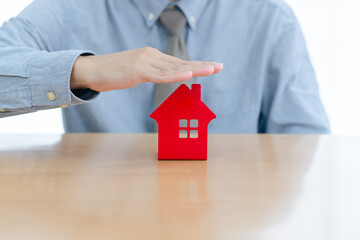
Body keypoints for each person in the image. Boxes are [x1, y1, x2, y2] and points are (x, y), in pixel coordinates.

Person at [0, 0, 330, 133]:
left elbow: (306, 142)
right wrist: (83, 71)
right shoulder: (73, 7)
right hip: (101, 217)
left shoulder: (270, 18)